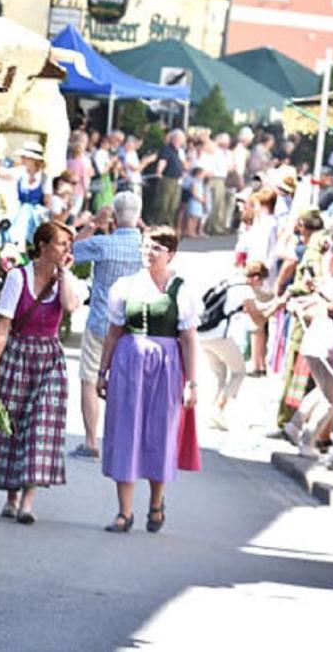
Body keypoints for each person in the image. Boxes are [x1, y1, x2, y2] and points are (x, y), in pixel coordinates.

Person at [0, 221, 85, 524]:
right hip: (18, 355)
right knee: (13, 426)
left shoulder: (63, 281)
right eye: (60, 244)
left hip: (49, 358)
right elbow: (3, 325)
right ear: (42, 246)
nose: (65, 250)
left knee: (41, 426)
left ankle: (27, 503)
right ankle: (12, 496)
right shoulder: (18, 278)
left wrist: (66, 272)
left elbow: (70, 306)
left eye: (68, 246)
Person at [97, 226, 201, 534]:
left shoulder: (180, 289)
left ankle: (156, 503)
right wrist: (102, 372)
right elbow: (114, 332)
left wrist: (191, 382)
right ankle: (124, 512)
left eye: (156, 248)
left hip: (167, 364)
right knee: (125, 432)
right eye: (145, 246)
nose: (148, 253)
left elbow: (188, 338)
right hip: (129, 362)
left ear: (170, 254)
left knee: (159, 433)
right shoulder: (125, 286)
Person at [71, 191, 144, 459]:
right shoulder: (147, 248)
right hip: (133, 326)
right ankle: (125, 443)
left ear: (114, 215)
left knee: (89, 380)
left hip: (101, 320)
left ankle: (91, 441)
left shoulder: (103, 243)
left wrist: (92, 224)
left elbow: (72, 250)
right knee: (127, 384)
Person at [199, 260, 275, 430]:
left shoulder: (229, 280)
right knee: (239, 371)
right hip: (219, 335)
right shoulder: (245, 290)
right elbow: (258, 319)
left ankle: (212, 414)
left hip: (202, 332)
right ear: (255, 278)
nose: (261, 285)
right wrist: (277, 305)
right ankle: (218, 410)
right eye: (261, 281)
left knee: (219, 374)